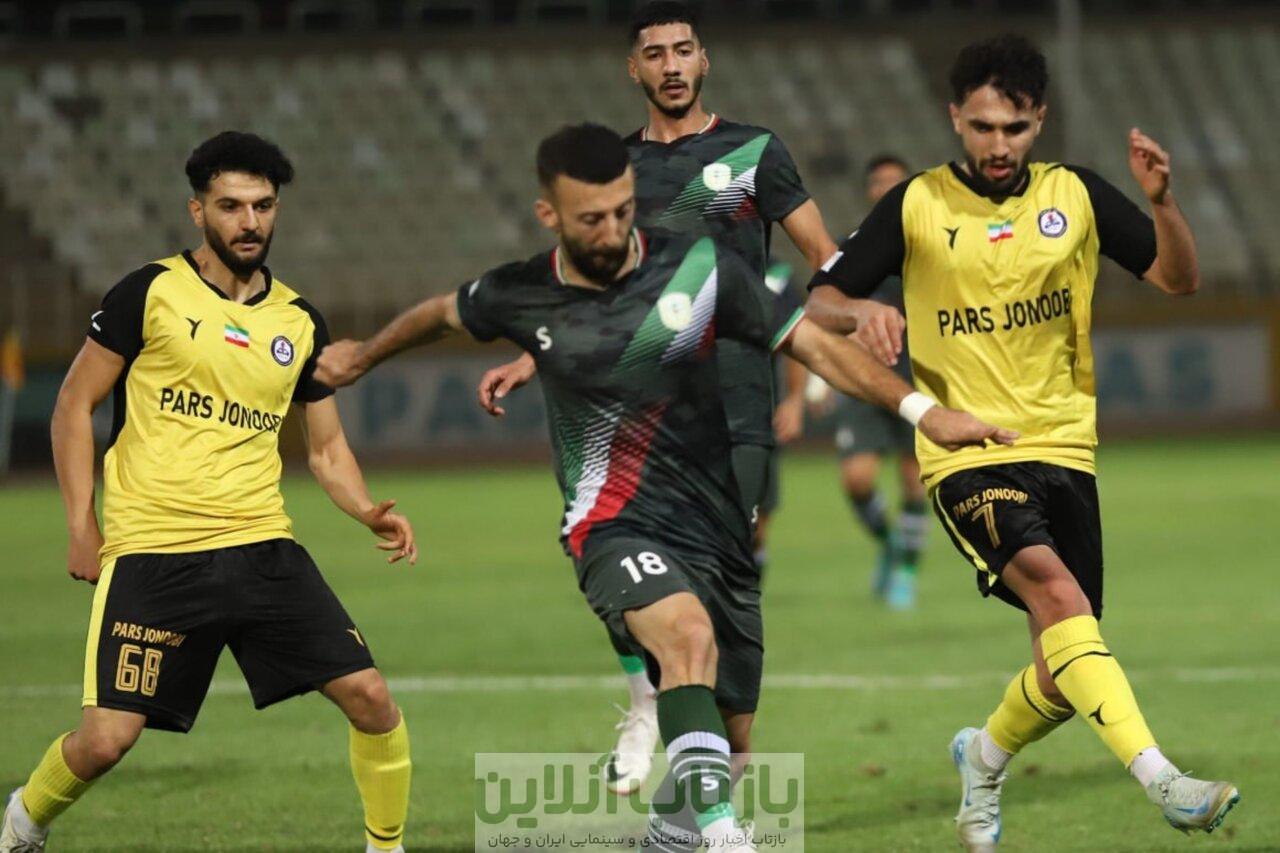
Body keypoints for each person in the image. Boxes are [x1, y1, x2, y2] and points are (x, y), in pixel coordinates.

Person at [315, 123, 1014, 852]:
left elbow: (811, 343)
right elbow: (440, 313)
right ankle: (729, 839)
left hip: (717, 523)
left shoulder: (700, 268)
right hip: (612, 522)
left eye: (623, 210)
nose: (613, 230)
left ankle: (674, 836)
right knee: (686, 638)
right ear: (549, 214)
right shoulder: (522, 293)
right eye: (592, 218)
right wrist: (361, 357)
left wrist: (924, 411)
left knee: (731, 747)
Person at [807, 35, 1239, 850]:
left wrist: (1163, 204)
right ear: (955, 119)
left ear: (1039, 120)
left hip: (1066, 448)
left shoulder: (1077, 193)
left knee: (1066, 667)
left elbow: (1178, 279)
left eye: (1013, 127)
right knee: (1062, 599)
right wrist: (857, 308)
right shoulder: (916, 203)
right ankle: (1165, 781)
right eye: (981, 127)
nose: (997, 144)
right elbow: (819, 297)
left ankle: (983, 755)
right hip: (967, 452)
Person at [471, 1, 894, 795]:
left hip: (736, 405)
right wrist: (534, 354)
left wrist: (857, 306)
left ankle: (697, 802)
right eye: (655, 53)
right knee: (609, 539)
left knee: (722, 614)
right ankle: (644, 695)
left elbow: (824, 262)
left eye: (683, 49)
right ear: (633, 68)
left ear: (705, 59)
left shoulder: (755, 153)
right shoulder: (614, 170)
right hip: (630, 408)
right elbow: (581, 285)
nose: (671, 65)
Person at [0, 133, 416, 853]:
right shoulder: (149, 292)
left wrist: (364, 508)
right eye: (231, 206)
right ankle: (21, 823)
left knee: (372, 698)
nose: (249, 221)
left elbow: (325, 448)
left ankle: (387, 847)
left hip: (262, 547)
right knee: (105, 741)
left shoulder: (299, 321)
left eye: (262, 206)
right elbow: (72, 404)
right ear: (198, 210)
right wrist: (81, 524)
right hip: (156, 552)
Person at [824, 154, 928, 609]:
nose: (886, 188)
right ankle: (889, 542)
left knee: (914, 478)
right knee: (857, 478)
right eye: (878, 182)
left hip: (919, 376)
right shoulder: (852, 247)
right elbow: (825, 309)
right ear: (868, 190)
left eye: (895, 181)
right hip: (863, 377)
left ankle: (907, 570)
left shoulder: (932, 246)